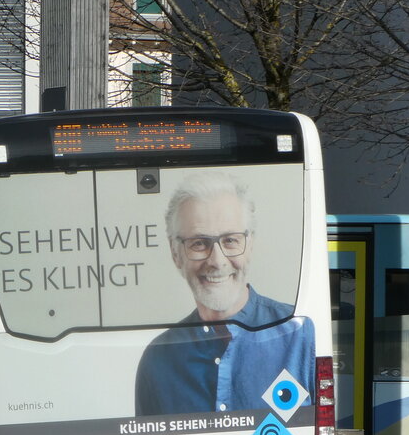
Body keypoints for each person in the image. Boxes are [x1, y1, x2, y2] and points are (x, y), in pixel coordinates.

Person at [134, 171, 315, 416]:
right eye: (199, 243)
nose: (217, 261)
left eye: (230, 240)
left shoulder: (300, 336)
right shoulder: (158, 360)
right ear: (175, 253)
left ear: (249, 245)